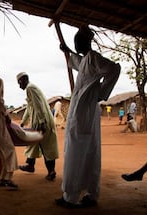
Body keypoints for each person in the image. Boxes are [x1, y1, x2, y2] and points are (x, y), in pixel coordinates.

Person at [56, 25, 120, 208]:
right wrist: (67, 50)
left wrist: (101, 92)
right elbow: (76, 61)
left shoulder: (93, 58)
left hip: (84, 113)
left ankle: (71, 197)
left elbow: (114, 69)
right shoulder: (86, 60)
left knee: (76, 152)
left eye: (78, 42)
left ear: (85, 42)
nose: (76, 45)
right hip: (85, 113)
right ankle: (91, 194)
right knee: (90, 151)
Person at [16, 72, 59, 181]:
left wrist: (42, 122)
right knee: (33, 143)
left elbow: (38, 105)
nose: (19, 85)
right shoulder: (30, 88)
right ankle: (30, 165)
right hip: (38, 121)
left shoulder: (30, 88)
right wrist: (23, 121)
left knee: (46, 147)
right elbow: (30, 107)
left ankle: (51, 171)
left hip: (42, 121)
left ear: (24, 79)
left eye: (19, 82)